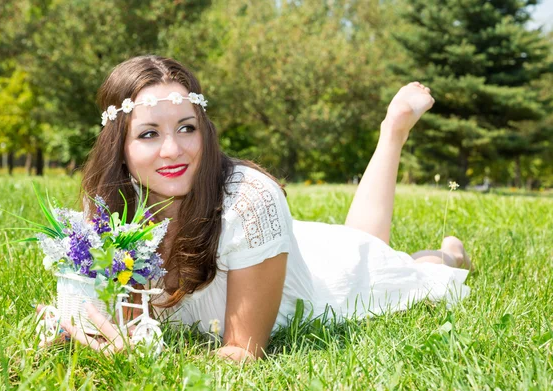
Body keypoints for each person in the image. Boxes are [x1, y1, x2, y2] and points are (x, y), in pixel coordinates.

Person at [50, 55, 471, 362]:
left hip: (326, 286)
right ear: (118, 147)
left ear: (205, 130)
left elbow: (241, 353)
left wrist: (147, 361)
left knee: (387, 261)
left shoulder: (250, 202)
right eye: (148, 134)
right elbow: (107, 315)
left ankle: (442, 244)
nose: (173, 150)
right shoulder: (108, 208)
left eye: (186, 128)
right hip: (284, 250)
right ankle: (393, 138)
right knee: (361, 240)